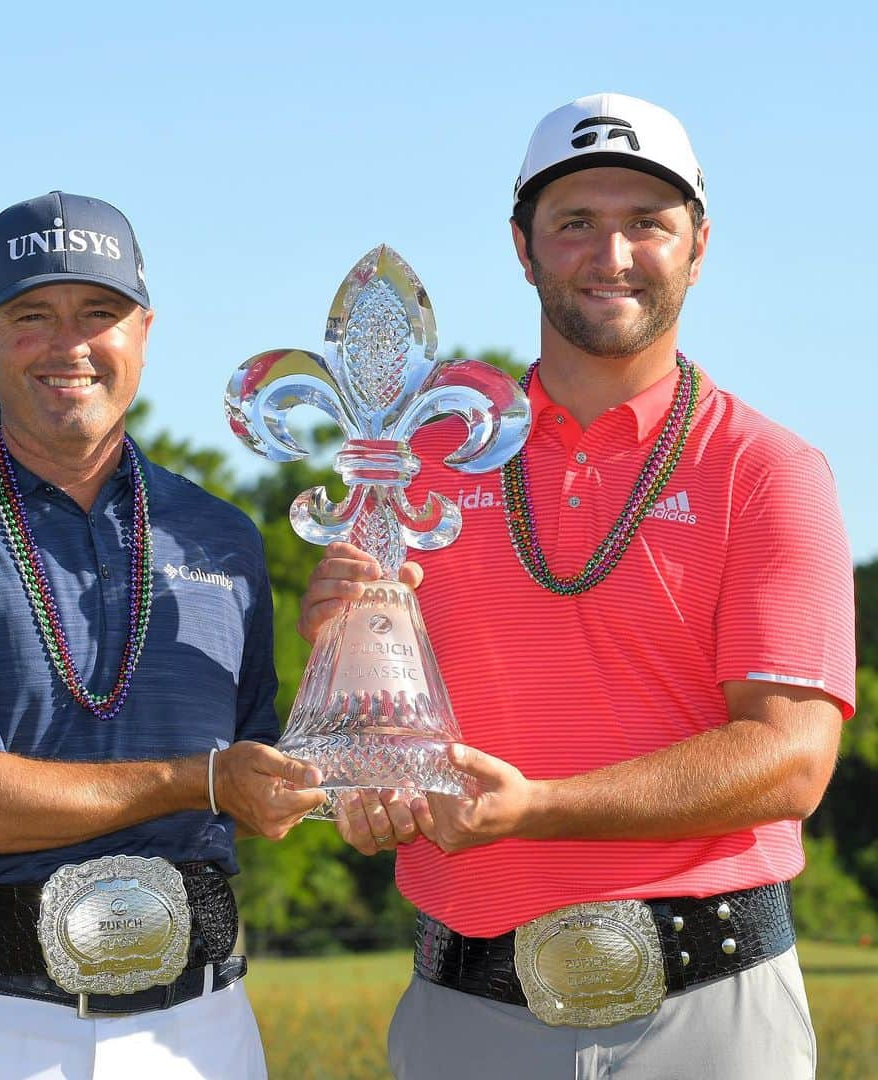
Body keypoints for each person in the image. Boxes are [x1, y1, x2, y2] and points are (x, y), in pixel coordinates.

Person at [298, 94, 855, 1079]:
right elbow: (374, 724)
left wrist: (541, 807)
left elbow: (791, 760)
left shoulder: (769, 470)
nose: (614, 255)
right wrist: (353, 722)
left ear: (699, 242)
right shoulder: (415, 459)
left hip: (708, 1016)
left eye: (648, 221)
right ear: (523, 247)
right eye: (575, 224)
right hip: (465, 1009)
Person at [0, 190, 325, 1079]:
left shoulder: (220, 534)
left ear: (144, 330)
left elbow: (258, 791)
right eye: (32, 316)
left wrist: (346, 650)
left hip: (199, 1028)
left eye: (100, 313)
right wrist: (200, 780)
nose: (70, 346)